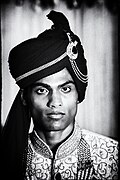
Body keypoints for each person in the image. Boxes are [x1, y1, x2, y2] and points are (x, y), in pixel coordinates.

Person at [1, 10, 118, 180]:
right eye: (42, 90)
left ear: (78, 94)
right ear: (24, 98)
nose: (55, 102)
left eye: (65, 89)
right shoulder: (6, 157)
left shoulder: (112, 156)